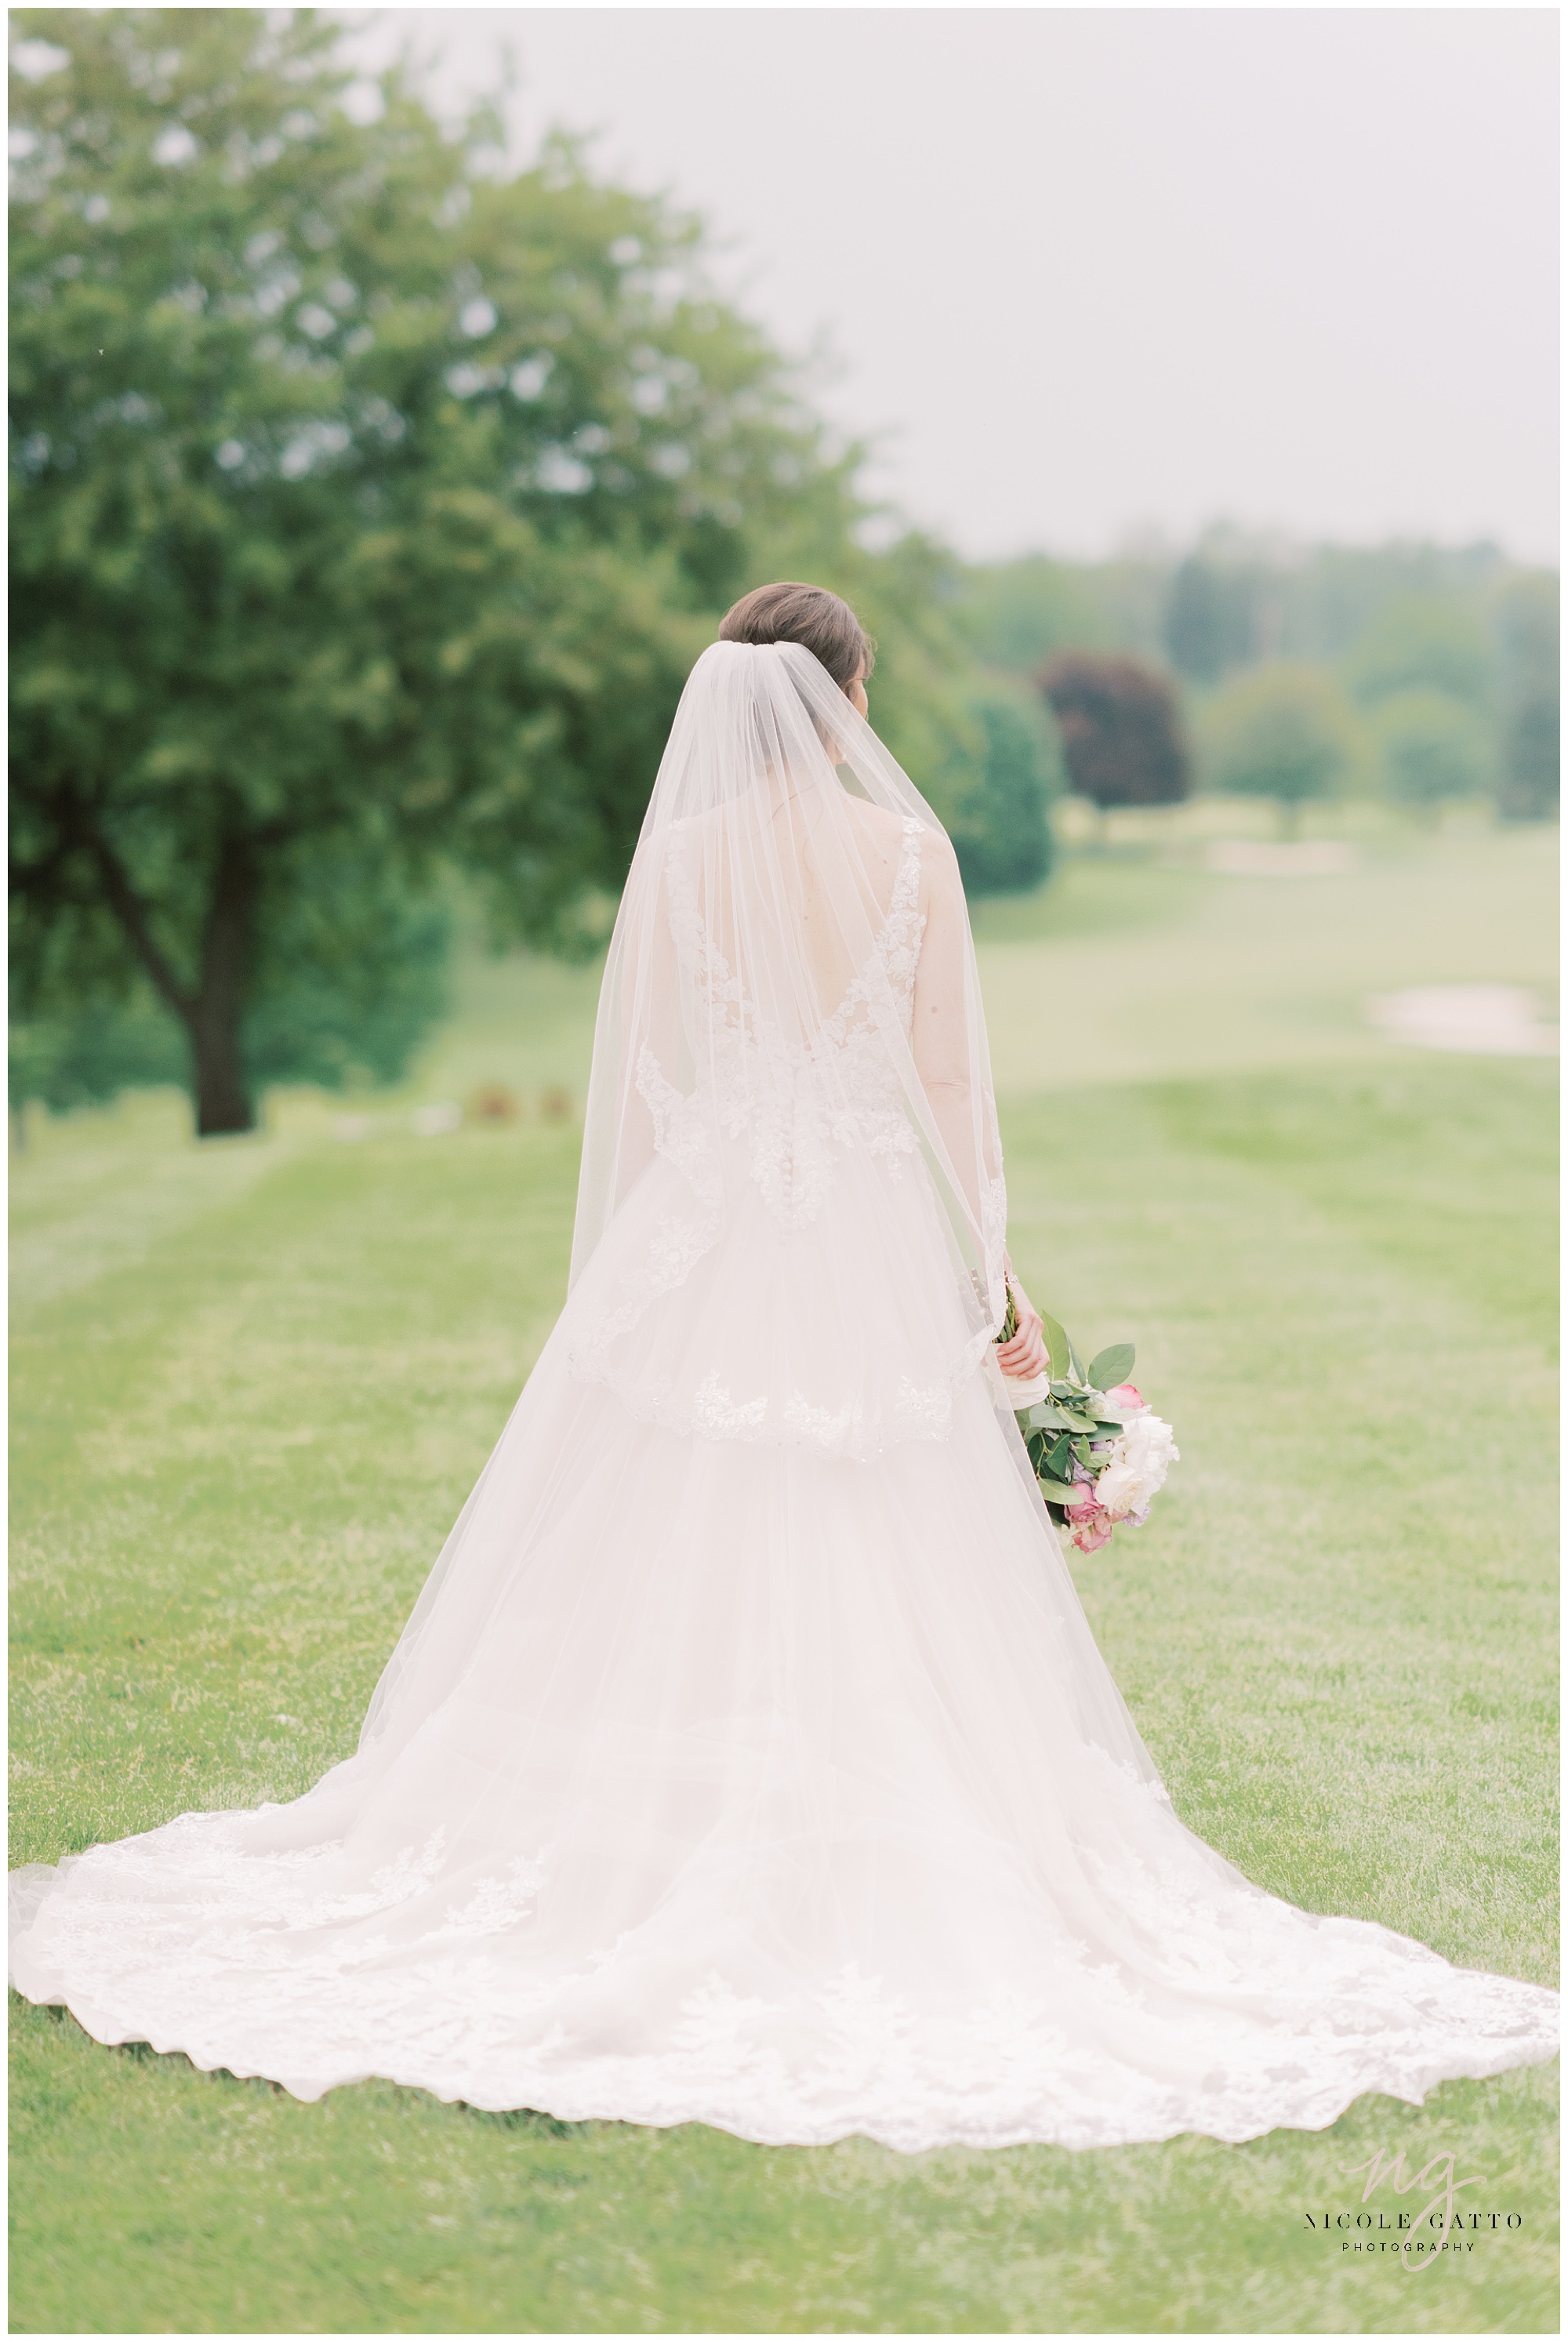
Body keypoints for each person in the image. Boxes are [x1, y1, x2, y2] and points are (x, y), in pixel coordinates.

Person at [10, 584, 1557, 2151]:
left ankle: (654, 1818)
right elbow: (951, 1077)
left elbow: (652, 1073)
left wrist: (653, 1252)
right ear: (846, 700)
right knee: (873, 1512)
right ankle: (866, 1827)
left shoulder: (684, 861)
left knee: (672, 1516)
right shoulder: (907, 858)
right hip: (868, 1230)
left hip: (711, 1222)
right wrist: (990, 1270)